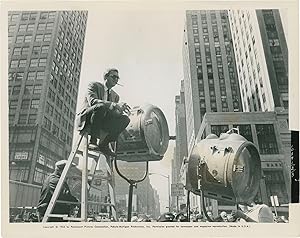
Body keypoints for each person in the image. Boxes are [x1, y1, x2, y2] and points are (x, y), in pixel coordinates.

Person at [76, 68, 131, 157]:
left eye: (117, 78)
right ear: (106, 77)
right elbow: (93, 101)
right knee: (101, 107)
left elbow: (112, 114)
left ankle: (104, 144)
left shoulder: (116, 96)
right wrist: (114, 105)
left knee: (125, 119)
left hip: (101, 121)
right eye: (113, 77)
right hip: (88, 118)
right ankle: (92, 141)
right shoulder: (94, 85)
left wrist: (120, 111)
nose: (116, 80)